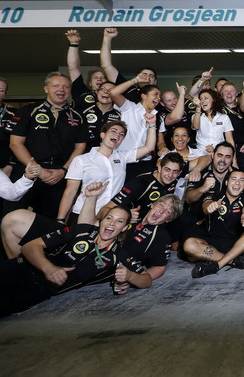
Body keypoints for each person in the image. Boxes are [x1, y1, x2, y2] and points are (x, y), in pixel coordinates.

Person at [0, 181, 130, 317]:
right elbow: (84, 226)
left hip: (41, 289)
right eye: (109, 218)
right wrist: (49, 268)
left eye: (120, 221)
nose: (112, 222)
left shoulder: (119, 253)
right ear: (102, 221)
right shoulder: (85, 230)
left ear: (125, 227)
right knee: (14, 224)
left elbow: (144, 276)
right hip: (31, 264)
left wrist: (128, 278)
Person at [7, 72, 87, 219]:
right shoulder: (27, 111)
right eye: (56, 86)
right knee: (11, 216)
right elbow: (15, 143)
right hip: (27, 171)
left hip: (59, 175)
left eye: (66, 86)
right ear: (46, 89)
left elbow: (80, 147)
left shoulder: (78, 116)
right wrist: (39, 171)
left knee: (51, 222)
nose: (61, 90)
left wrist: (63, 170)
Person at [56, 116, 157, 225]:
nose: (117, 135)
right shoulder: (82, 160)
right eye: (113, 131)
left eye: (121, 134)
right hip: (83, 213)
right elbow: (70, 192)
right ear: (102, 135)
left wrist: (151, 125)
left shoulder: (122, 157)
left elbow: (149, 148)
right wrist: (60, 219)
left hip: (110, 216)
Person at [183, 170, 244, 276]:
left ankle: (218, 262)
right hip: (214, 245)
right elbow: (206, 205)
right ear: (227, 182)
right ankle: (233, 261)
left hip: (238, 246)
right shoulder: (215, 196)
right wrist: (210, 207)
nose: (237, 183)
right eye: (233, 179)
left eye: (241, 180)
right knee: (189, 245)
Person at [192, 88, 235, 156]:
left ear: (214, 100)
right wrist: (198, 107)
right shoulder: (196, 116)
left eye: (206, 98)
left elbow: (230, 140)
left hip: (219, 154)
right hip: (201, 154)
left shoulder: (224, 118)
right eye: (201, 99)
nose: (202, 101)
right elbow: (195, 126)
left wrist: (234, 159)